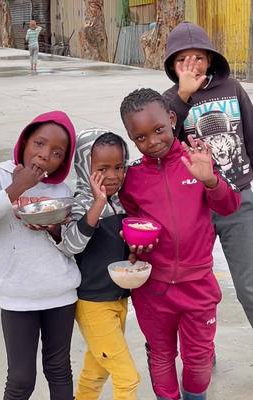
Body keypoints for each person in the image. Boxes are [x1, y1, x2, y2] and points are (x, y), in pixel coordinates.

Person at [119, 88, 241, 400]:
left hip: (197, 284)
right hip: (153, 289)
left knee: (198, 360)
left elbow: (229, 205)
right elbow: (131, 223)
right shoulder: (131, 179)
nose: (153, 141)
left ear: (172, 119)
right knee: (160, 355)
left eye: (158, 129)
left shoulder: (196, 160)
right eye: (141, 137)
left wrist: (211, 180)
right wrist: (133, 243)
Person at [0, 110, 81, 400]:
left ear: (63, 161)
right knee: (20, 380)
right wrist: (16, 189)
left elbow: (70, 242)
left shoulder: (61, 188)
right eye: (39, 144)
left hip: (60, 293)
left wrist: (54, 229)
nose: (44, 156)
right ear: (25, 140)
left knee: (59, 371)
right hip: (18, 296)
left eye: (56, 153)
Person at [163, 21, 253, 329]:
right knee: (194, 289)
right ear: (172, 66)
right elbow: (163, 148)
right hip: (193, 208)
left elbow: (250, 137)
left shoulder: (233, 89)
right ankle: (199, 351)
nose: (192, 65)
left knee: (249, 285)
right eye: (182, 60)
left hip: (238, 200)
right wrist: (183, 96)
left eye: (198, 57)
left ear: (210, 59)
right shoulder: (168, 101)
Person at [59, 129, 140, 400]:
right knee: (127, 377)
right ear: (84, 167)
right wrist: (98, 202)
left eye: (119, 166)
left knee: (96, 372)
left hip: (118, 300)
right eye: (102, 168)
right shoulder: (80, 205)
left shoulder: (122, 203)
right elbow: (71, 246)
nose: (113, 175)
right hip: (93, 305)